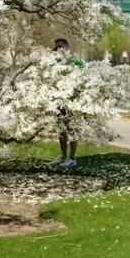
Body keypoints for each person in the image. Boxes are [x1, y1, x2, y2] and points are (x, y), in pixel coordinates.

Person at [50, 38, 84, 169]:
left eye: (61, 47)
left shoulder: (74, 62)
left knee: (72, 130)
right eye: (57, 47)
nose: (59, 50)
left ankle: (72, 158)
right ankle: (63, 156)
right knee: (61, 131)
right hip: (58, 102)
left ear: (67, 48)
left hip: (72, 102)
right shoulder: (54, 63)